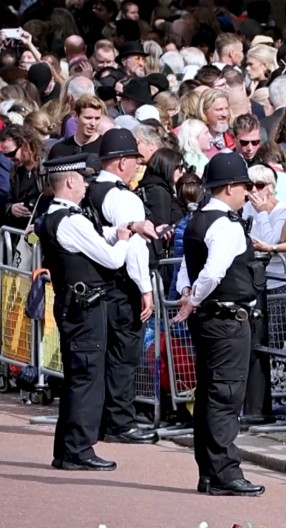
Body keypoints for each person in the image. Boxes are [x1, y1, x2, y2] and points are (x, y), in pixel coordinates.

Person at [172, 152, 266, 497]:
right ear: (229, 187)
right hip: (227, 320)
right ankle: (226, 472)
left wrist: (188, 293)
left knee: (210, 396)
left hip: (209, 320)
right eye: (245, 186)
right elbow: (212, 272)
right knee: (225, 397)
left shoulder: (198, 219)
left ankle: (210, 473)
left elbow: (188, 266)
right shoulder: (225, 224)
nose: (248, 193)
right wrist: (193, 299)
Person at [38, 153, 132, 471]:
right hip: (85, 308)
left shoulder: (52, 215)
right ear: (71, 181)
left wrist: (117, 231)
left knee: (77, 377)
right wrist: (123, 241)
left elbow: (89, 240)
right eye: (83, 179)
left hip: (70, 306)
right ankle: (79, 448)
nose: (87, 185)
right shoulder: (72, 219)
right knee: (88, 379)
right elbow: (111, 259)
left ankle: (67, 448)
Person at [82, 128, 159, 445]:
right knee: (124, 356)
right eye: (134, 160)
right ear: (122, 162)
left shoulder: (88, 193)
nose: (137, 166)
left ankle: (102, 421)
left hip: (97, 284)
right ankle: (120, 423)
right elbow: (136, 248)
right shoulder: (124, 197)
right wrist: (145, 288)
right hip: (123, 285)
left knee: (104, 356)